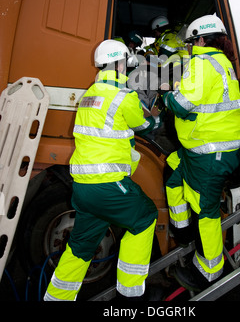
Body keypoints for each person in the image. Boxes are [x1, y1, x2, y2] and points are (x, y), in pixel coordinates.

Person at [44, 39, 159, 301]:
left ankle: (56, 297)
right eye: (125, 65)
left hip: (83, 188)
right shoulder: (123, 96)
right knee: (144, 216)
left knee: (80, 246)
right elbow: (145, 124)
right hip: (107, 185)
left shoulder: (88, 96)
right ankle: (130, 295)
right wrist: (156, 115)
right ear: (120, 64)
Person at [162, 14, 240, 291]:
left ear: (199, 39)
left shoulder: (201, 63)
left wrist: (166, 96)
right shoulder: (220, 61)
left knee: (205, 212)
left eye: (190, 42)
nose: (188, 47)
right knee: (172, 172)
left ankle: (209, 274)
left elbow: (182, 104)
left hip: (211, 152)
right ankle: (182, 230)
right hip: (203, 147)